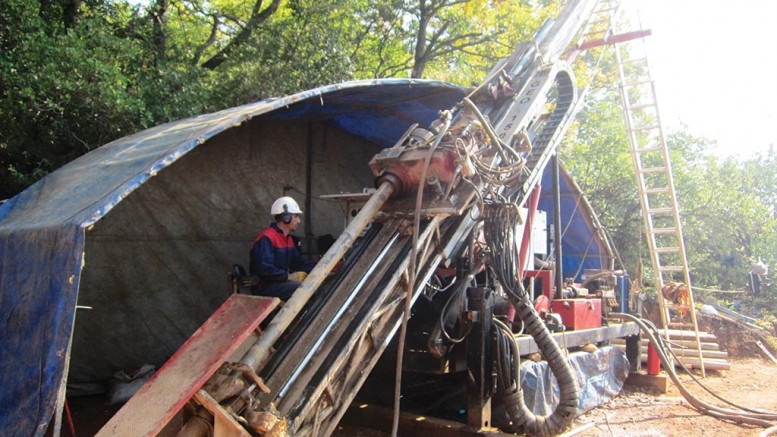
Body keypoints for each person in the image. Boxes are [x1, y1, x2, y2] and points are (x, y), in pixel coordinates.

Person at [250, 196, 312, 301]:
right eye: (296, 216)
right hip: (265, 287)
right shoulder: (267, 238)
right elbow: (265, 269)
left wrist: (316, 272)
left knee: (311, 286)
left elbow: (298, 262)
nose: (299, 220)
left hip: (278, 283)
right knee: (303, 289)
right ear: (286, 217)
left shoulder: (288, 239)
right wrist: (288, 277)